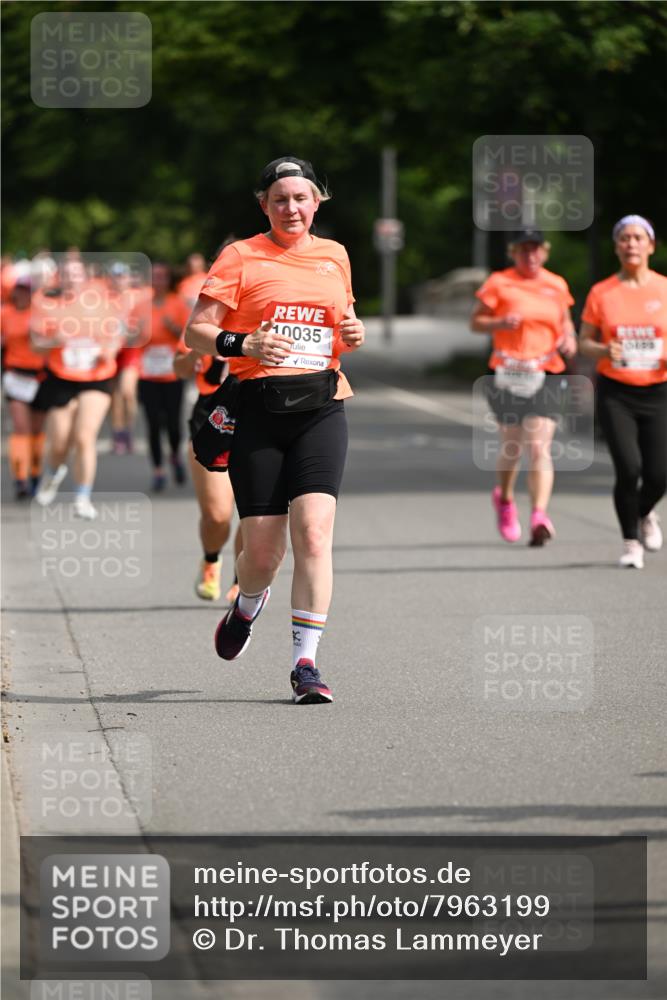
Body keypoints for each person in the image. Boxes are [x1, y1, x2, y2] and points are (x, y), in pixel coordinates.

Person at [185, 156, 364, 704]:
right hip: (258, 411)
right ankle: (247, 603)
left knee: (314, 533)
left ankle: (305, 663)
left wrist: (352, 332)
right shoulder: (240, 256)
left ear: (317, 202)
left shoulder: (335, 256)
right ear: (264, 205)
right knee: (262, 555)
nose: (291, 208)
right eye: (280, 199)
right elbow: (197, 332)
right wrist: (245, 343)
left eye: (301, 198)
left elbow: (339, 327)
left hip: (322, 407)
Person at [470, 230, 577, 545]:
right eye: (523, 250)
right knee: (513, 447)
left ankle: (539, 515)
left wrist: (570, 338)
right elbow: (476, 322)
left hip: (547, 371)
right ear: (513, 252)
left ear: (544, 252)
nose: (530, 255)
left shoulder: (556, 284)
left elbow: (566, 321)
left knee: (539, 447)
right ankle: (504, 499)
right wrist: (499, 323)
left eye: (535, 249)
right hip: (507, 373)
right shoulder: (499, 282)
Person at [579, 215, 667, 568]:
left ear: (651, 246)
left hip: (659, 390)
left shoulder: (664, 288)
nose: (631, 244)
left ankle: (643, 513)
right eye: (624, 238)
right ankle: (631, 543)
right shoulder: (602, 292)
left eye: (638, 237)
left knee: (659, 474)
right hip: (616, 392)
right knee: (629, 469)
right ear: (616, 247)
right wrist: (604, 350)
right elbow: (583, 342)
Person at [32, 259, 125, 519]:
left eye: (76, 274)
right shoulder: (48, 305)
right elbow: (36, 345)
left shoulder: (102, 304)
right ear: (59, 278)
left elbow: (118, 334)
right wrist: (54, 339)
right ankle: (53, 473)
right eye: (67, 274)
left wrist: (109, 350)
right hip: (61, 377)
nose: (72, 278)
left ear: (85, 277)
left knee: (85, 437)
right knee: (59, 442)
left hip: (96, 376)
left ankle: (82, 498)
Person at [173, 342, 241, 603]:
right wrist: (199, 351)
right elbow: (179, 369)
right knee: (217, 516)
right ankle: (211, 559)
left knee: (258, 512)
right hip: (213, 413)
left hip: (262, 406)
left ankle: (243, 581)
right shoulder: (206, 321)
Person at [135, 263, 190, 491]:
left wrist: (173, 328)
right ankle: (158, 470)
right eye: (154, 277)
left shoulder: (177, 303)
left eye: (161, 277)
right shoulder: (141, 306)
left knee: (173, 423)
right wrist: (139, 332)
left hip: (172, 373)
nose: (157, 281)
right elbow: (131, 337)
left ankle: (175, 455)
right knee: (153, 423)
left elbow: (188, 336)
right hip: (147, 373)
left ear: (168, 280)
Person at [1, 278, 46, 497]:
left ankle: (35, 473)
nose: (23, 294)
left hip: (40, 376)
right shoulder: (5, 314)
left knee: (36, 431)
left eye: (27, 291)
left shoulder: (40, 315)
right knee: (21, 429)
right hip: (16, 374)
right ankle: (20, 477)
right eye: (20, 290)